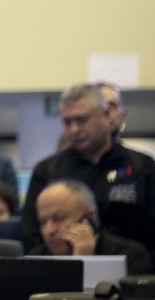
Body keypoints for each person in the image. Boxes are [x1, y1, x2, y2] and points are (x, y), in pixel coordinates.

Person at [22, 83, 155, 252]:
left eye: (81, 120)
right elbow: (31, 233)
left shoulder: (142, 166)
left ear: (106, 115)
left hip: (133, 267)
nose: (74, 129)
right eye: (67, 122)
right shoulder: (48, 170)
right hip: (65, 270)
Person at [27, 180, 152, 275]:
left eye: (59, 218)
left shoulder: (130, 258)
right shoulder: (31, 261)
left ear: (90, 217)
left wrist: (83, 262)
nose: (49, 230)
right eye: (43, 222)